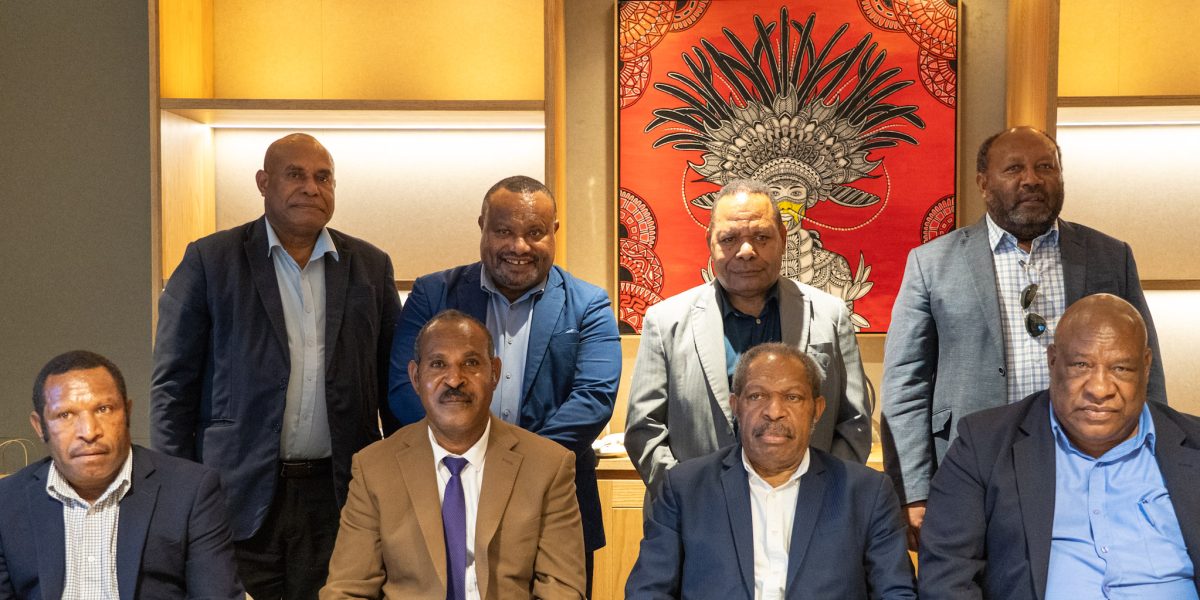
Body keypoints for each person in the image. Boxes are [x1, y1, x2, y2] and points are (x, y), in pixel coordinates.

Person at [881, 126, 1167, 548]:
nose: (1031, 179)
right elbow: (906, 384)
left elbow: (1146, 368)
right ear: (983, 182)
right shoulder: (932, 263)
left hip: (1091, 462)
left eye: (1045, 167)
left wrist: (1156, 460)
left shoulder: (1110, 256)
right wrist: (914, 490)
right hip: (970, 467)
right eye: (1014, 169)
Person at [151, 133, 401, 599]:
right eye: (295, 175)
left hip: (339, 496)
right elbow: (172, 389)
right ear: (263, 183)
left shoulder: (370, 266)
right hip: (234, 496)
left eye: (323, 177)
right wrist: (176, 490)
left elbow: (395, 387)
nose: (311, 188)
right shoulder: (211, 260)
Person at [386, 175, 620, 584]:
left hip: (552, 504)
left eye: (535, 232)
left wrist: (515, 467)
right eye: (504, 231)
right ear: (482, 227)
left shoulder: (589, 304)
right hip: (444, 492)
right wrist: (465, 459)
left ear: (554, 231)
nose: (519, 246)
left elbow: (594, 398)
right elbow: (404, 388)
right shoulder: (432, 293)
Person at [918, 294, 1198, 598]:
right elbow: (946, 579)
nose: (1099, 389)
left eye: (1121, 368)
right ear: (1052, 361)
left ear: (1146, 365)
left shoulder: (1193, 444)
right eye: (1081, 365)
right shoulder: (984, 445)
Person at [625, 178, 871, 499]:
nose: (745, 251)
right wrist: (689, 500)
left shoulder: (830, 315)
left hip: (810, 510)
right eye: (729, 239)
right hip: (696, 514)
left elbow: (854, 423)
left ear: (782, 238)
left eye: (761, 237)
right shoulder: (665, 321)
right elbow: (644, 429)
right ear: (710, 242)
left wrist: (822, 496)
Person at [323, 310, 585, 599]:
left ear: (494, 373)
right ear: (415, 377)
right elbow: (347, 590)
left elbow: (562, 590)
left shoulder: (549, 465)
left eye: (471, 363)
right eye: (438, 364)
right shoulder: (373, 468)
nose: (454, 379)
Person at [625, 343, 914, 599]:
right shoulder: (685, 488)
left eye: (793, 397)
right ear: (736, 406)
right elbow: (648, 591)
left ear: (817, 409)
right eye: (757, 396)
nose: (774, 411)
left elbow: (895, 591)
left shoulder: (866, 492)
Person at [0, 350, 241, 599]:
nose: (89, 432)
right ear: (40, 426)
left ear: (127, 412)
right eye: (65, 415)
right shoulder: (6, 502)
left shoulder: (190, 490)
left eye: (103, 409)